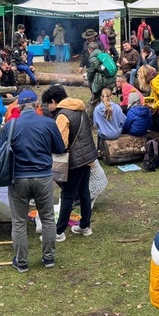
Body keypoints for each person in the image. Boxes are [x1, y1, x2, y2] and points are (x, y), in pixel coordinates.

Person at [2, 88, 66, 272]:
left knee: (19, 221)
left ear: (19, 106)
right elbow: (60, 148)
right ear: (37, 105)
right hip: (43, 176)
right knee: (47, 219)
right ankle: (49, 258)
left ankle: (21, 262)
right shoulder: (48, 122)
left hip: (19, 178)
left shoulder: (11, 125)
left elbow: (1, 151)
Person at [41, 85, 99, 241]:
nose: (48, 108)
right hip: (87, 157)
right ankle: (85, 226)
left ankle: (58, 232)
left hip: (74, 161)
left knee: (67, 195)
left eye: (48, 104)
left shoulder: (62, 115)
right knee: (84, 192)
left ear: (53, 101)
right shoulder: (79, 108)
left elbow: (62, 142)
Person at [86, 41, 116, 110]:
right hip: (111, 81)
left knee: (93, 102)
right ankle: (110, 116)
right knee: (107, 100)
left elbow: (91, 73)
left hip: (101, 83)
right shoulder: (104, 54)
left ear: (90, 49)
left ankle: (91, 119)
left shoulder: (93, 58)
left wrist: (90, 81)